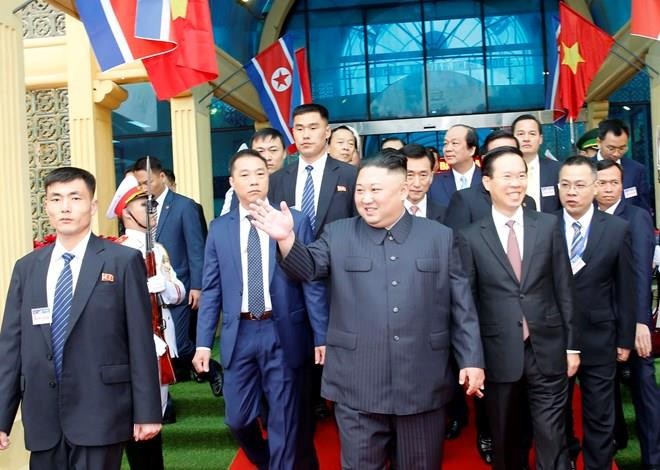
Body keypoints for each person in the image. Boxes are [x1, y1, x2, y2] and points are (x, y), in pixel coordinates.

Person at [251, 151, 485, 469]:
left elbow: (462, 305)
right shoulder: (339, 233)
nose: (365, 198)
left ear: (403, 191)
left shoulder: (440, 237)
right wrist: (287, 239)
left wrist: (471, 359)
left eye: (375, 190)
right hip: (356, 383)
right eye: (361, 190)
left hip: (422, 381)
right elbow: (306, 268)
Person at [0, 167, 162, 469]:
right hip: (43, 416)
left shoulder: (122, 261)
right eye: (56, 199)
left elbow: (140, 340)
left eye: (75, 198)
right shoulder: (27, 267)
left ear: (92, 205)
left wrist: (148, 411)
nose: (65, 207)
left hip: (101, 409)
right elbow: (11, 347)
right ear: (46, 206)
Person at [193, 149, 328, 470]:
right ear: (232, 182)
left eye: (260, 173)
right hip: (239, 334)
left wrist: (321, 334)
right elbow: (211, 289)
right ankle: (268, 462)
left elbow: (311, 279)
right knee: (237, 419)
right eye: (245, 175)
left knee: (284, 418)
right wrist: (201, 343)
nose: (253, 181)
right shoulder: (220, 228)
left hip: (282, 332)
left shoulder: (293, 219)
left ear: (268, 177)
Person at [458, 147, 578, 470]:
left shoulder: (549, 225)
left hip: (548, 346)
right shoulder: (469, 237)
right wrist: (472, 359)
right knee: (507, 440)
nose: (516, 183)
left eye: (522, 175)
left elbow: (563, 286)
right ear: (487, 183)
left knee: (552, 435)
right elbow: (466, 303)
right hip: (498, 352)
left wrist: (572, 345)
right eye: (507, 176)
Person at [557, 156, 635, 470]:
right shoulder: (543, 225)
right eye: (565, 184)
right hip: (556, 338)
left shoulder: (617, 229)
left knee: (600, 415)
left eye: (579, 185)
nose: (571, 192)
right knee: (557, 413)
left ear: (594, 187)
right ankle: (565, 458)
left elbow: (625, 287)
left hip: (601, 336)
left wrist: (625, 338)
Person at [107, 173, 186, 469]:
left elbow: (177, 293)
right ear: (125, 212)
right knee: (140, 418)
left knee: (157, 414)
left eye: (152, 205)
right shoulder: (120, 250)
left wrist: (161, 285)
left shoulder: (159, 248)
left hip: (162, 339)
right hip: (138, 344)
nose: (151, 210)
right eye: (143, 206)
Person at [132, 157, 222, 396]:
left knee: (180, 344)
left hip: (180, 285)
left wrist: (198, 286)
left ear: (162, 177)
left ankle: (213, 368)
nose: (144, 188)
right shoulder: (139, 207)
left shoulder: (184, 206)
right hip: (152, 291)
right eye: (140, 183)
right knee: (162, 343)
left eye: (148, 182)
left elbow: (196, 248)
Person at [594, 159, 660, 469]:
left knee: (645, 390)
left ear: (622, 185)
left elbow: (641, 275)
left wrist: (640, 322)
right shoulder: (588, 218)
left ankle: (653, 459)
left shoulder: (635, 217)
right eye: (602, 183)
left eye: (614, 183)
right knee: (603, 394)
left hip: (633, 323)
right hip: (599, 323)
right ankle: (614, 444)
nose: (608, 189)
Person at [444, 131, 536, 231]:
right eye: (498, 155)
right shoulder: (465, 200)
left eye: (512, 153)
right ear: (485, 159)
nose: (507, 159)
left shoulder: (528, 202)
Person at [221, 128, 289, 216]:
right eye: (260, 151)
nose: (267, 157)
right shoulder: (236, 190)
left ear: (284, 153)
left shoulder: (297, 182)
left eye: (273, 150)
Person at [596, 118, 652, 213]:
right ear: (599, 143)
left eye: (622, 148)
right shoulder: (584, 168)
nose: (616, 154)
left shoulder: (636, 170)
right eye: (611, 148)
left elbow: (643, 209)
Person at [511, 114, 561, 213]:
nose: (526, 139)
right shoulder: (504, 170)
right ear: (512, 138)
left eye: (532, 134)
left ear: (540, 139)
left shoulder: (557, 169)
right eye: (521, 134)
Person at [428, 124, 481, 207]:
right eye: (445, 143)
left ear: (471, 150)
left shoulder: (488, 179)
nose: (448, 149)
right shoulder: (434, 183)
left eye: (454, 143)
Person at [401, 143, 445, 222]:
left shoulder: (445, 214)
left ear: (431, 176)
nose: (417, 184)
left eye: (423, 175)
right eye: (410, 175)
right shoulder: (386, 213)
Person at [162, 168, 208, 239]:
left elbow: (200, 241)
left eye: (163, 187)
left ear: (173, 187)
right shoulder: (148, 210)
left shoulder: (193, 207)